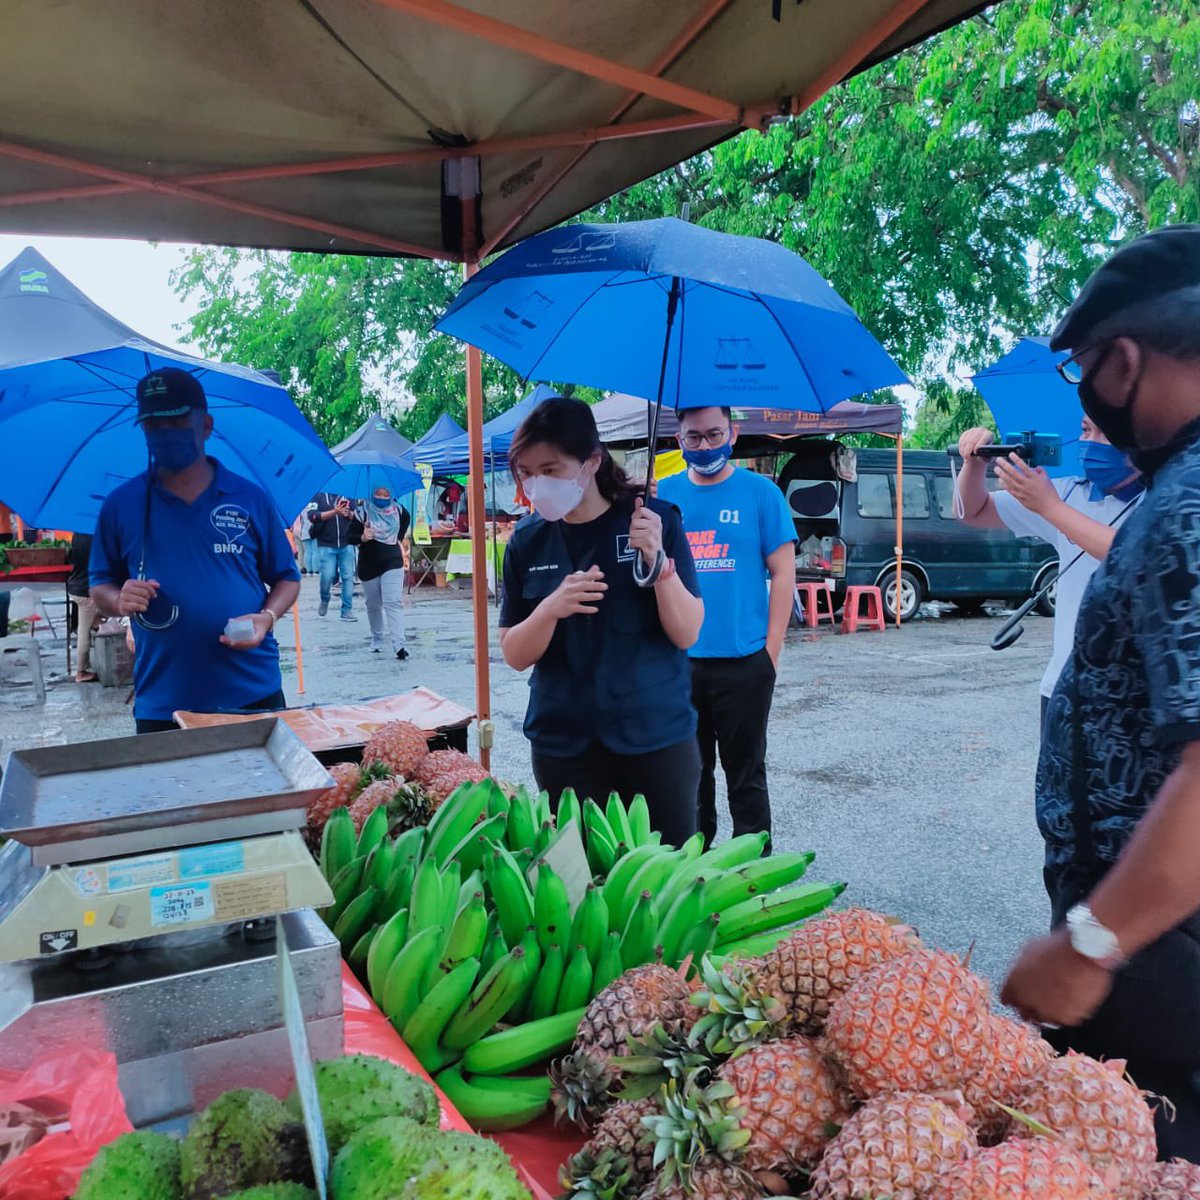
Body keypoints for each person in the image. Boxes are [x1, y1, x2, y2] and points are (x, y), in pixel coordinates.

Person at [999, 225, 1200, 1161]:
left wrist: (1087, 944)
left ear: (1123, 361)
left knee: (1144, 1157)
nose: (1084, 398)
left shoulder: (1188, 506)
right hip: (1156, 922)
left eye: (1083, 371)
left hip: (1161, 940)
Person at [499, 396, 704, 845]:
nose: (536, 486)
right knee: (581, 882)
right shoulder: (527, 541)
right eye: (527, 473)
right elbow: (514, 652)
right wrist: (550, 607)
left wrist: (659, 562)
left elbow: (688, 630)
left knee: (663, 880)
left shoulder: (653, 521)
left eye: (550, 470)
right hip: (563, 743)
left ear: (591, 462)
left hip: (654, 739)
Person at [90, 368, 300, 734]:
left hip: (253, 693)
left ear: (205, 425)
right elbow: (100, 586)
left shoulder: (249, 498)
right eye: (152, 426)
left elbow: (286, 577)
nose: (164, 435)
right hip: (163, 703)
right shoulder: (121, 505)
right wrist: (119, 599)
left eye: (175, 423)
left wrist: (267, 617)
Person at [658, 406, 796, 847]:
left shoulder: (761, 494)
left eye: (714, 434)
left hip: (745, 660)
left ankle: (752, 872)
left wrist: (770, 653)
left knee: (746, 774)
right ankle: (695, 872)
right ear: (678, 440)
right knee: (688, 777)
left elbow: (784, 574)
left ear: (733, 432)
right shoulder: (662, 496)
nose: (705, 446)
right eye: (693, 438)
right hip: (680, 662)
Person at [956, 415, 1144, 725]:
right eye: (1085, 429)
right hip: (1063, 686)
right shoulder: (1069, 492)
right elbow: (973, 511)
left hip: (1133, 697)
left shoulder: (1166, 498)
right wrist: (974, 465)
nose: (1089, 442)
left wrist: (1049, 507)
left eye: (1106, 431)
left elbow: (1132, 556)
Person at [360, 484, 411, 661]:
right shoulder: (362, 511)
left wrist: (397, 539)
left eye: (386, 494)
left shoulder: (399, 511)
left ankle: (399, 644)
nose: (382, 497)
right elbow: (349, 536)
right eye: (378, 494)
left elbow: (406, 521)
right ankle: (377, 637)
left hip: (393, 562)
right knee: (373, 604)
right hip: (369, 564)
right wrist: (363, 536)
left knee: (393, 602)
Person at [309, 489, 362, 620]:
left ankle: (346, 610)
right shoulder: (318, 495)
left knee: (347, 577)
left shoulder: (348, 495)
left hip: (347, 542)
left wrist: (349, 514)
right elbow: (312, 516)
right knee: (327, 576)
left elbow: (358, 517)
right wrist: (334, 512)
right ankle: (325, 598)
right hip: (326, 544)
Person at [67, 531, 100, 683]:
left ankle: (94, 662)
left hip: (76, 585)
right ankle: (81, 671)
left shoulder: (78, 535)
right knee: (84, 630)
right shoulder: (96, 537)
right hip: (87, 590)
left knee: (94, 623)